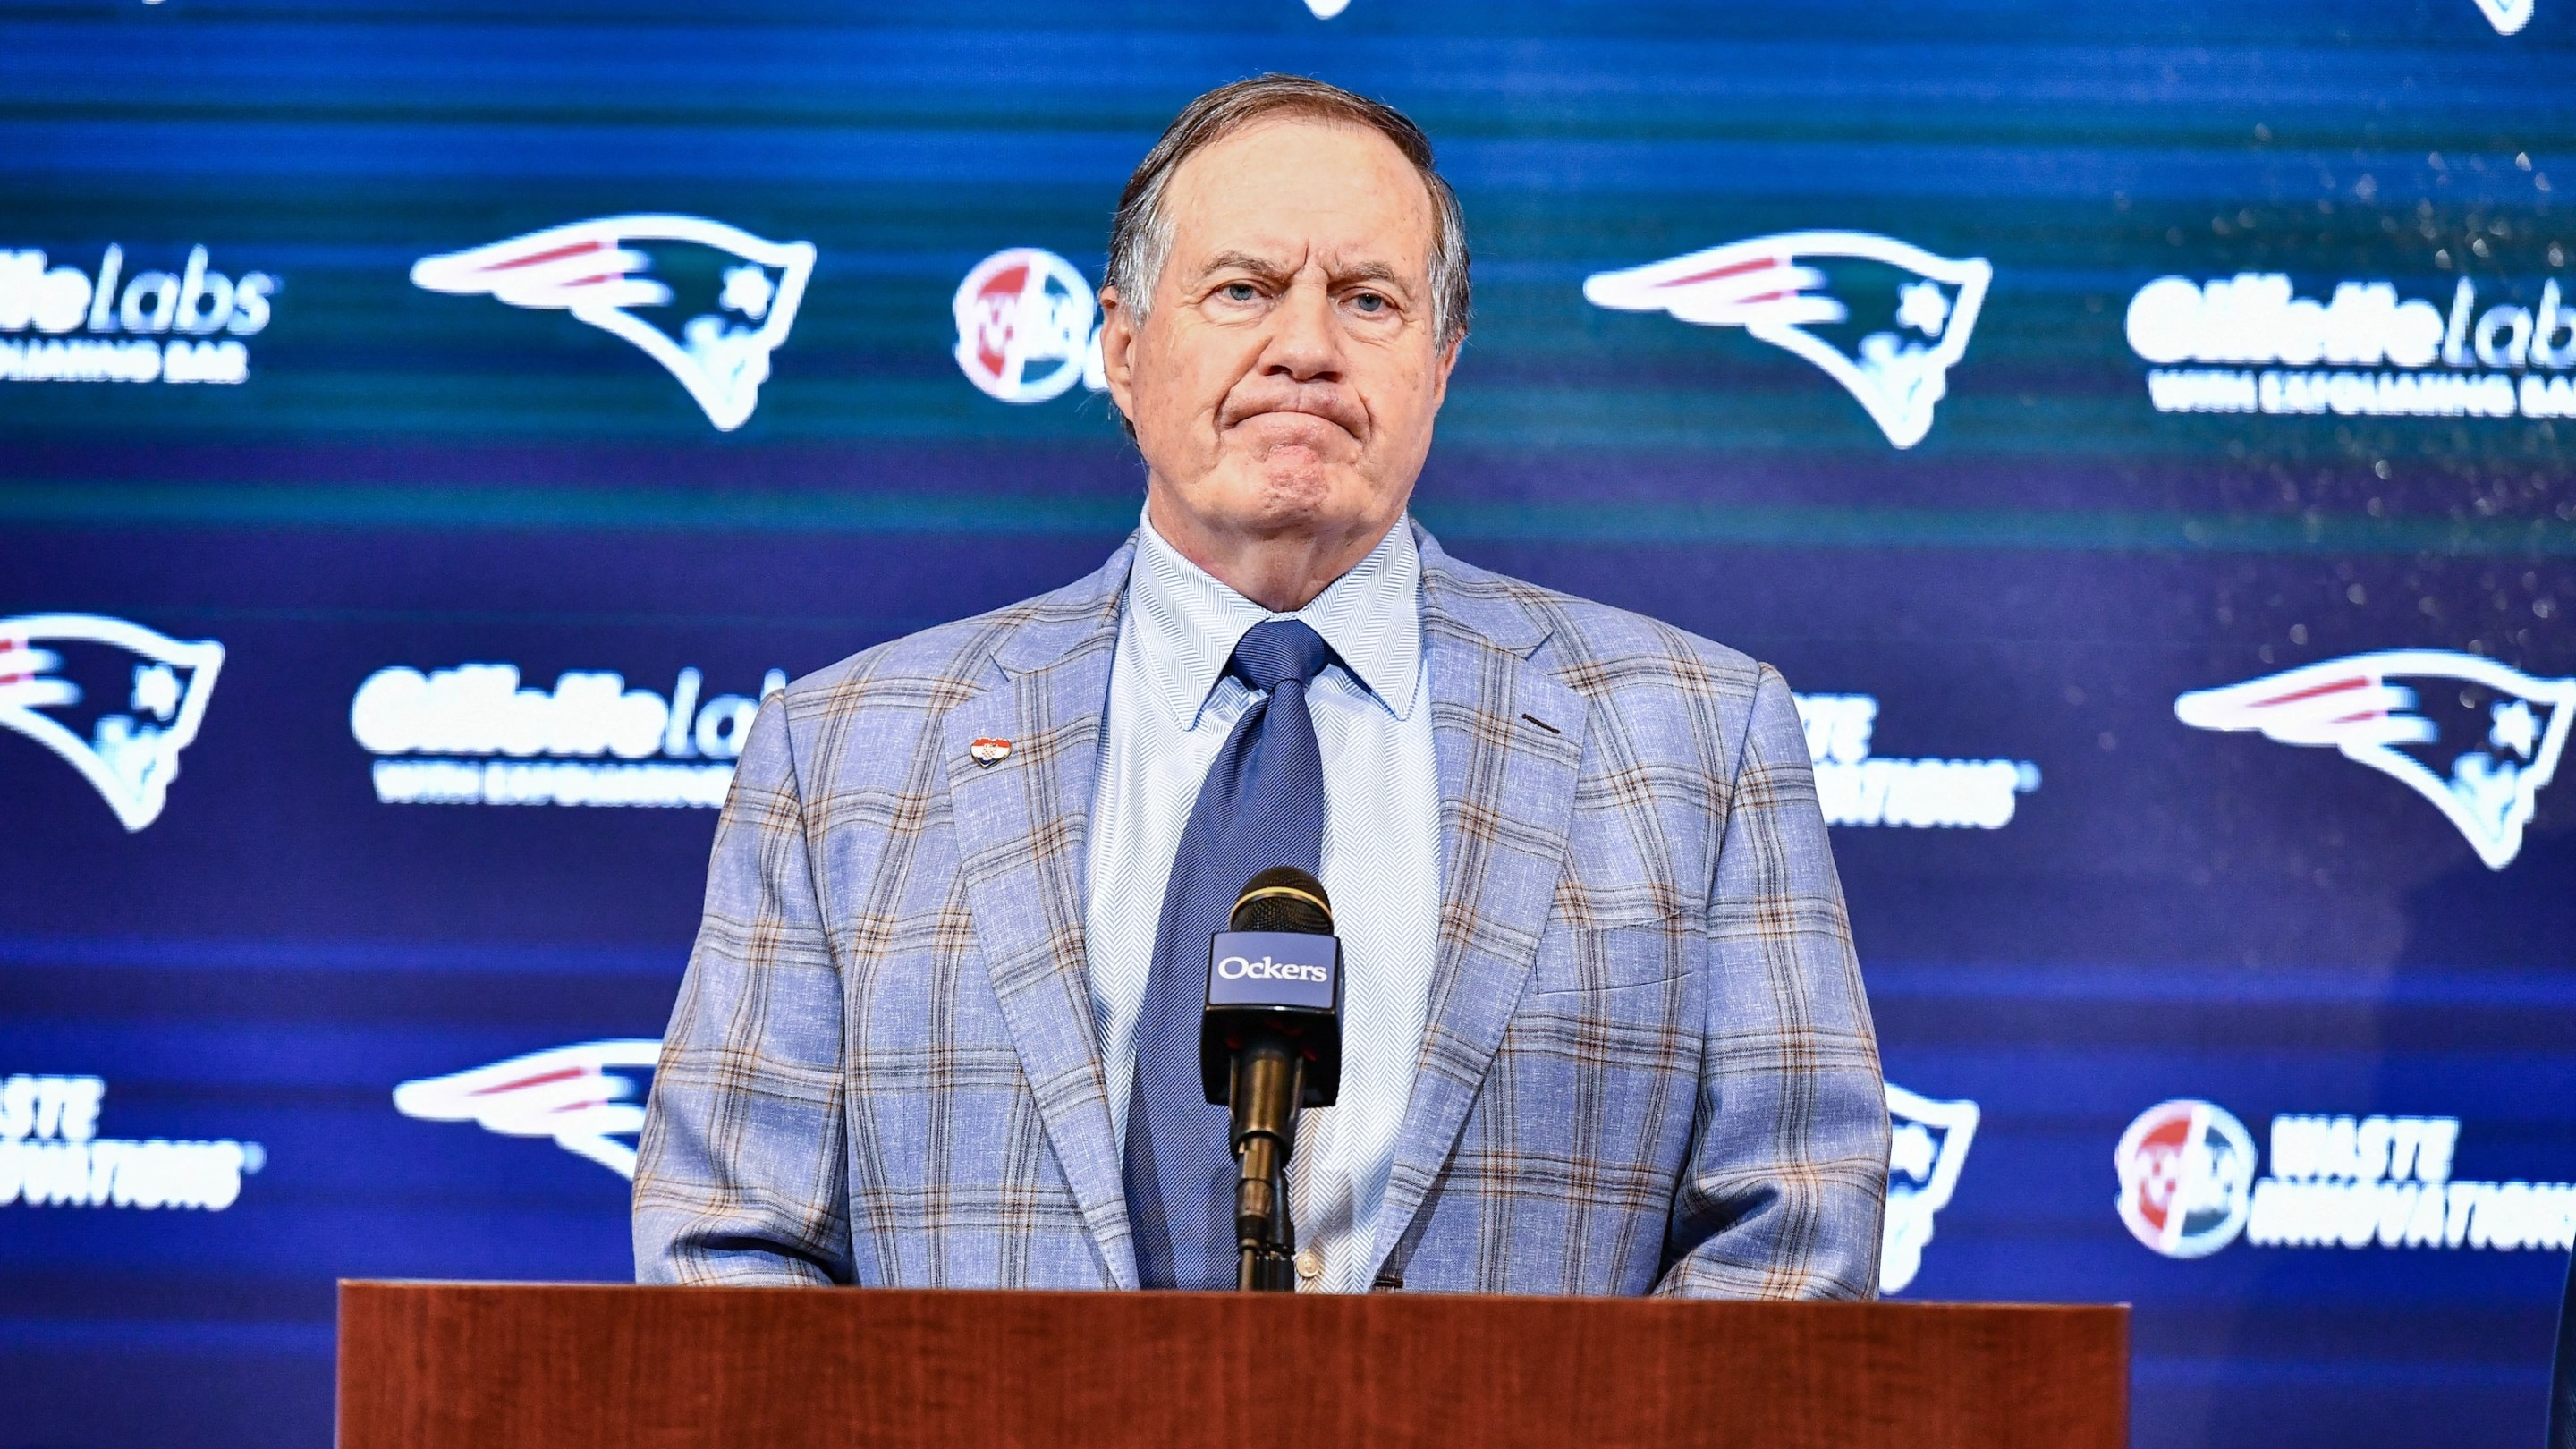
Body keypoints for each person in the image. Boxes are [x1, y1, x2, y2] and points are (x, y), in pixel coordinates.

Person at [634, 73, 1887, 1297]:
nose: (1306, 349)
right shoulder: (843, 755)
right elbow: (729, 1246)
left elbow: (1795, 1221)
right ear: (1124, 347)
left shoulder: (1697, 741)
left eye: (1369, 300)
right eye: (1242, 290)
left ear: (1441, 365)